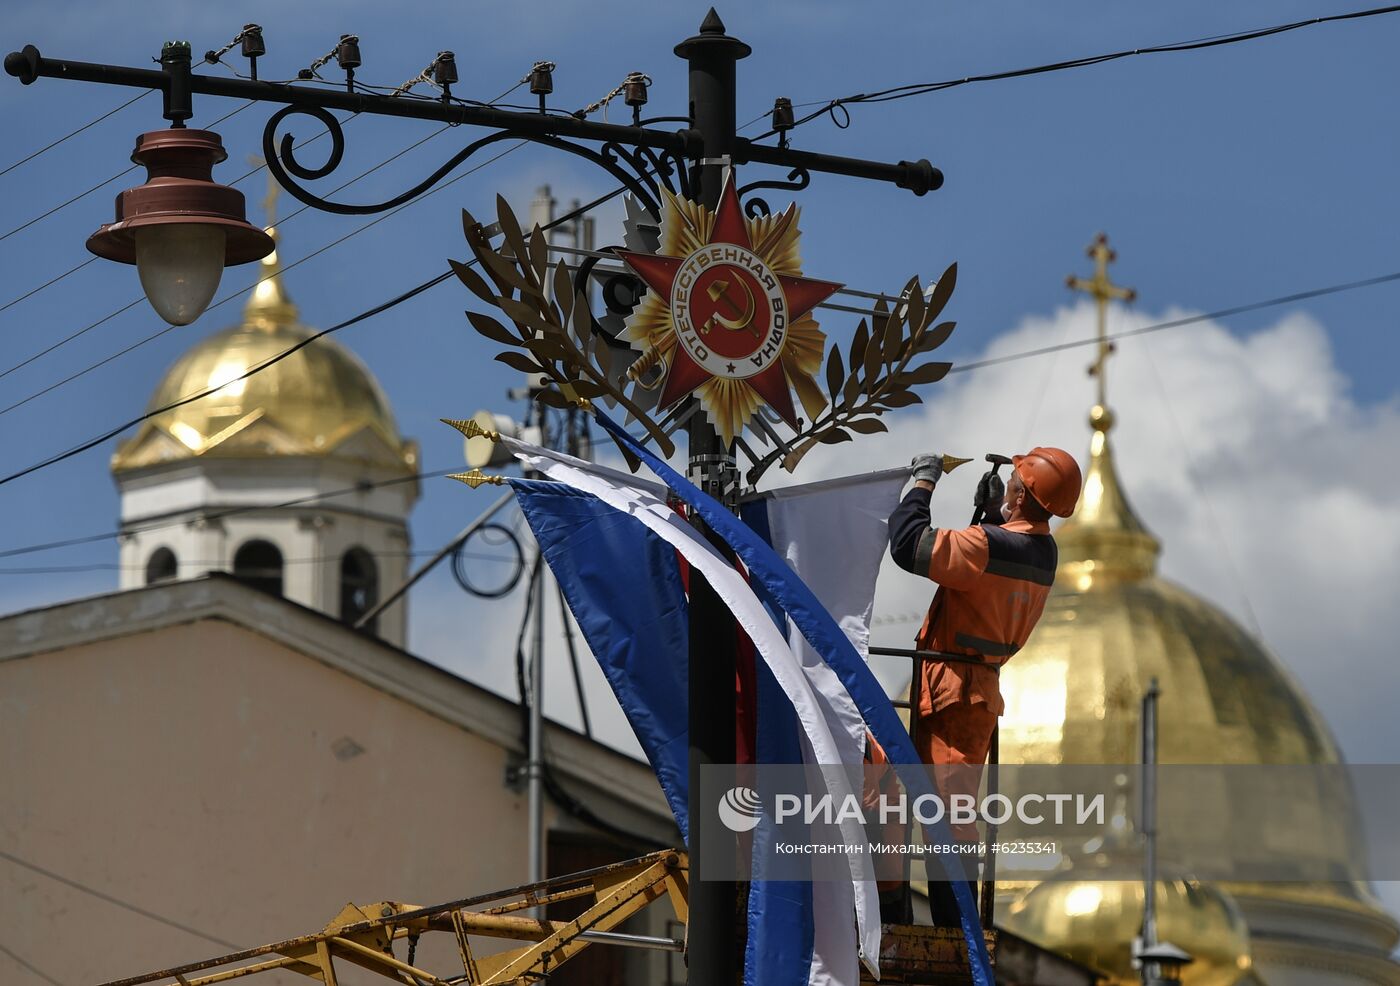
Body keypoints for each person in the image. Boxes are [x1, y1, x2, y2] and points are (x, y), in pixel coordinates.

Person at [881, 447, 1082, 926]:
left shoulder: (988, 548)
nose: (1009, 482)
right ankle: (944, 923)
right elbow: (995, 562)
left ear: (1021, 494)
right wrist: (993, 516)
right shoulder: (1043, 553)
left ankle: (957, 934)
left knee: (948, 818)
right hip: (971, 691)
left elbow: (909, 545)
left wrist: (924, 483)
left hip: (955, 691)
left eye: (1014, 480)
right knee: (940, 810)